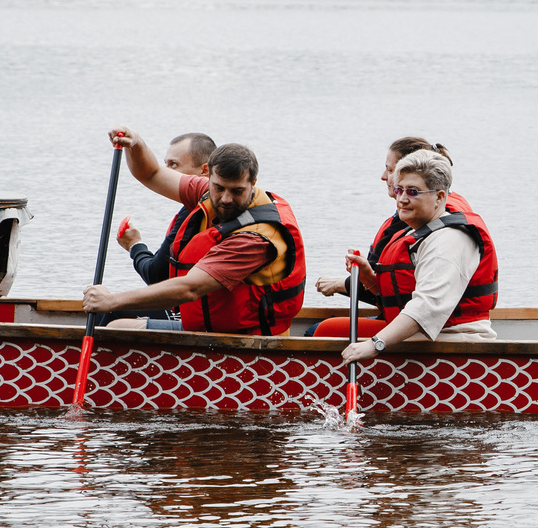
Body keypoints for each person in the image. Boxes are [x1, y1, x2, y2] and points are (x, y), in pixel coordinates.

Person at [81, 136, 306, 333]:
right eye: (219, 188)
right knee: (111, 313)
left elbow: (190, 289)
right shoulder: (206, 192)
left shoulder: (256, 239)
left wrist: (111, 300)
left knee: (118, 325)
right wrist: (135, 142)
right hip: (208, 324)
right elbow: (151, 173)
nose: (226, 199)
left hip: (246, 341)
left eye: (237, 191)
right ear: (210, 178)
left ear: (253, 184)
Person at [330, 151, 500, 360]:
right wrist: (370, 280)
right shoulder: (417, 232)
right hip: (421, 339)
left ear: (439, 197)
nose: (402, 199)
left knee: (323, 331)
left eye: (413, 192)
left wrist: (374, 345)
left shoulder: (449, 240)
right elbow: (403, 297)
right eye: (399, 190)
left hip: (454, 348)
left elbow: (427, 308)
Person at [314, 135, 472, 313]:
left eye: (390, 170)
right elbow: (391, 289)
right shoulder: (435, 213)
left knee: (318, 328)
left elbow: (417, 305)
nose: (383, 177)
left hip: (425, 324)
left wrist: (341, 283)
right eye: (400, 190)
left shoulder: (427, 223)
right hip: (405, 317)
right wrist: (366, 275)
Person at [115, 133, 217, 300]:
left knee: (110, 310)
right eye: (165, 164)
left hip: (195, 308)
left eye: (174, 165)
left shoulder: (196, 212)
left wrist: (134, 245)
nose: (166, 172)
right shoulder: (211, 202)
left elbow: (156, 277)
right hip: (196, 304)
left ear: (205, 170)